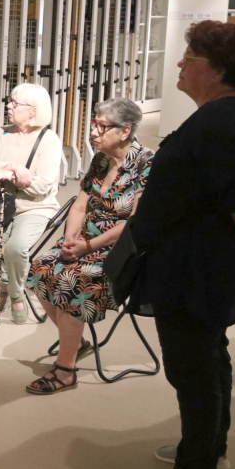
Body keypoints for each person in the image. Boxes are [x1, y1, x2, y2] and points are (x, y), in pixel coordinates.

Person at [129, 20, 235, 469]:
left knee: (192, 365)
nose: (180, 63)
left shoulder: (218, 119)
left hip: (193, 267)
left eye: (190, 56)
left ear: (216, 70)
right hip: (206, 262)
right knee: (209, 357)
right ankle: (209, 447)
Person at [24, 98, 152, 394]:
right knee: (41, 268)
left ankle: (66, 370)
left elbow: (134, 223)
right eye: (93, 124)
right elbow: (80, 206)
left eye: (100, 126)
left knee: (72, 280)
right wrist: (71, 239)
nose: (93, 132)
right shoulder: (101, 159)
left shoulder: (147, 164)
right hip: (84, 242)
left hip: (120, 251)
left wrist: (86, 246)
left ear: (124, 131)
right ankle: (76, 342)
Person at [0, 83, 63, 324]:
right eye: (10, 101)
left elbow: (42, 186)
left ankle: (12, 295)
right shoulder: (3, 132)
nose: (8, 106)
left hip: (35, 208)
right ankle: (11, 290)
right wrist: (14, 168)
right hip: (2, 204)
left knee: (16, 248)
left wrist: (8, 176)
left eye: (15, 103)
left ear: (33, 111)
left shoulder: (49, 140)